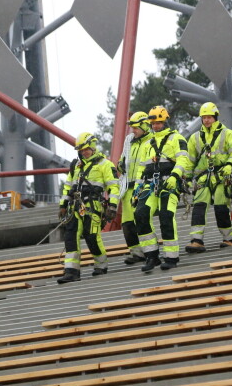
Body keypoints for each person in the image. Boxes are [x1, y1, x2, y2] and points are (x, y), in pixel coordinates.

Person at [134, 105, 191, 272]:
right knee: (141, 214)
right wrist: (137, 188)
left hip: (169, 183)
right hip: (150, 184)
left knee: (166, 216)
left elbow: (183, 160)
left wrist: (174, 177)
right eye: (153, 123)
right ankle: (151, 255)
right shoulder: (147, 144)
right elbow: (141, 168)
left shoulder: (177, 138)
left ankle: (171, 257)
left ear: (165, 121)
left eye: (159, 122)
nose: (155, 126)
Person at [57, 132, 119, 284]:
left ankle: (101, 265)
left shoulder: (105, 164)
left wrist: (112, 206)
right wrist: (63, 204)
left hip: (93, 207)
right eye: (81, 150)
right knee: (70, 237)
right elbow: (68, 186)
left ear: (93, 147)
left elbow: (114, 187)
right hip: (75, 207)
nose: (84, 152)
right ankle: (71, 271)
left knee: (91, 236)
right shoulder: (76, 166)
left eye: (87, 149)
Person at [185, 102, 232, 253]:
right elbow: (189, 161)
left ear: (216, 117)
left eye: (209, 117)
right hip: (203, 179)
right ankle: (196, 241)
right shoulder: (195, 138)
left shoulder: (227, 134)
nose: (206, 120)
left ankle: (228, 238)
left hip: (221, 176)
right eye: (204, 117)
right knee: (199, 207)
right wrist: (185, 178)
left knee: (221, 207)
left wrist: (230, 165)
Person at [117, 112, 153, 265]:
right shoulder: (129, 141)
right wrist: (120, 163)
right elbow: (123, 158)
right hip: (128, 187)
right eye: (132, 127)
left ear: (145, 125)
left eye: (136, 127)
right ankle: (137, 253)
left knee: (142, 219)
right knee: (127, 224)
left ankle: (150, 251)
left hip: (143, 186)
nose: (133, 130)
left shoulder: (152, 141)